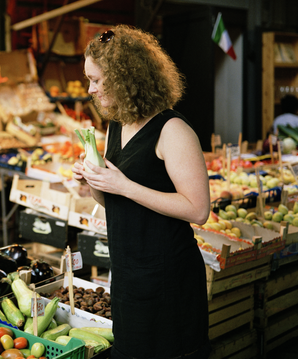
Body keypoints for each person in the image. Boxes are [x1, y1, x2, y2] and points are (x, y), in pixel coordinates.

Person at [71, 25, 211, 359]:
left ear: (124, 79)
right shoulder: (115, 125)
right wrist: (93, 182)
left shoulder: (173, 130)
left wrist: (125, 185)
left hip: (168, 277)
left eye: (96, 80)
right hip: (127, 274)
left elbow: (198, 209)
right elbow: (112, 200)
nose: (90, 89)